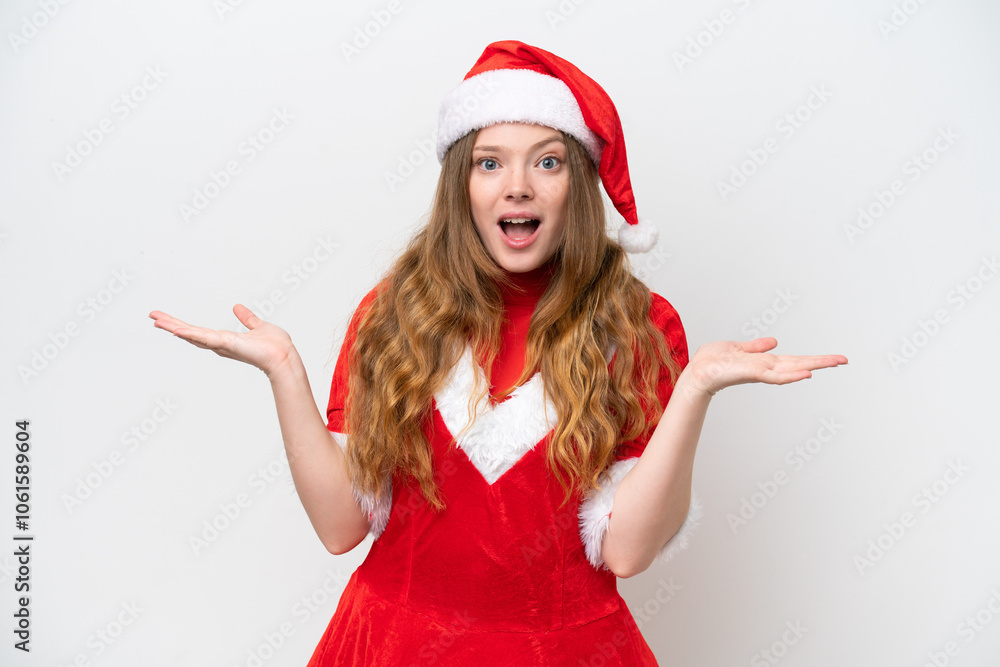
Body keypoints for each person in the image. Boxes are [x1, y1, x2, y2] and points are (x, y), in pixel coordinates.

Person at [149, 41, 847, 666]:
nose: (518, 185)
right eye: (491, 163)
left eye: (547, 161)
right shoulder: (393, 312)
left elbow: (628, 551)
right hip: (392, 645)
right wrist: (285, 374)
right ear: (465, 187)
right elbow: (341, 528)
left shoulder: (640, 326)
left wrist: (694, 390)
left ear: (578, 182)